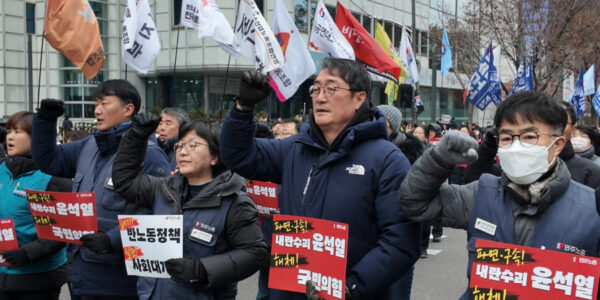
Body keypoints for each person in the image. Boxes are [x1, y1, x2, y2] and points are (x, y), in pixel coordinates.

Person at [220, 58, 420, 299]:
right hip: (288, 289)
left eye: (332, 88)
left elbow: (400, 242)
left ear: (360, 98)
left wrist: (349, 288)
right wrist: (243, 109)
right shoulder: (294, 149)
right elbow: (239, 156)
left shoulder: (387, 159)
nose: (320, 97)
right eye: (316, 88)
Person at [398, 92, 600, 298]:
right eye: (506, 138)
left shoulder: (592, 209)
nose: (516, 145)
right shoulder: (482, 193)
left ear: (558, 144)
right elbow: (414, 203)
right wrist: (437, 160)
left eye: (529, 136)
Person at [30, 80, 171, 299]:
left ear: (128, 109)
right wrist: (46, 121)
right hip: (80, 271)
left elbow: (157, 214)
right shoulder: (91, 145)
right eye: (96, 104)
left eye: (105, 103)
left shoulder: (150, 154)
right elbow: (50, 161)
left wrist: (111, 240)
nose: (97, 110)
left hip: (119, 277)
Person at [112, 114, 267, 299]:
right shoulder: (162, 189)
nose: (182, 152)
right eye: (180, 146)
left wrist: (201, 269)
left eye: (193, 145)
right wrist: (137, 136)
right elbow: (124, 181)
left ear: (215, 156)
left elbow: (255, 253)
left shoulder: (234, 202)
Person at [0, 111, 71, 300]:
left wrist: (26, 253)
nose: (10, 137)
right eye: (8, 132)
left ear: (37, 137)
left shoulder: (52, 177)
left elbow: (61, 230)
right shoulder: (2, 170)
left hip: (37, 280)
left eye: (17, 131)